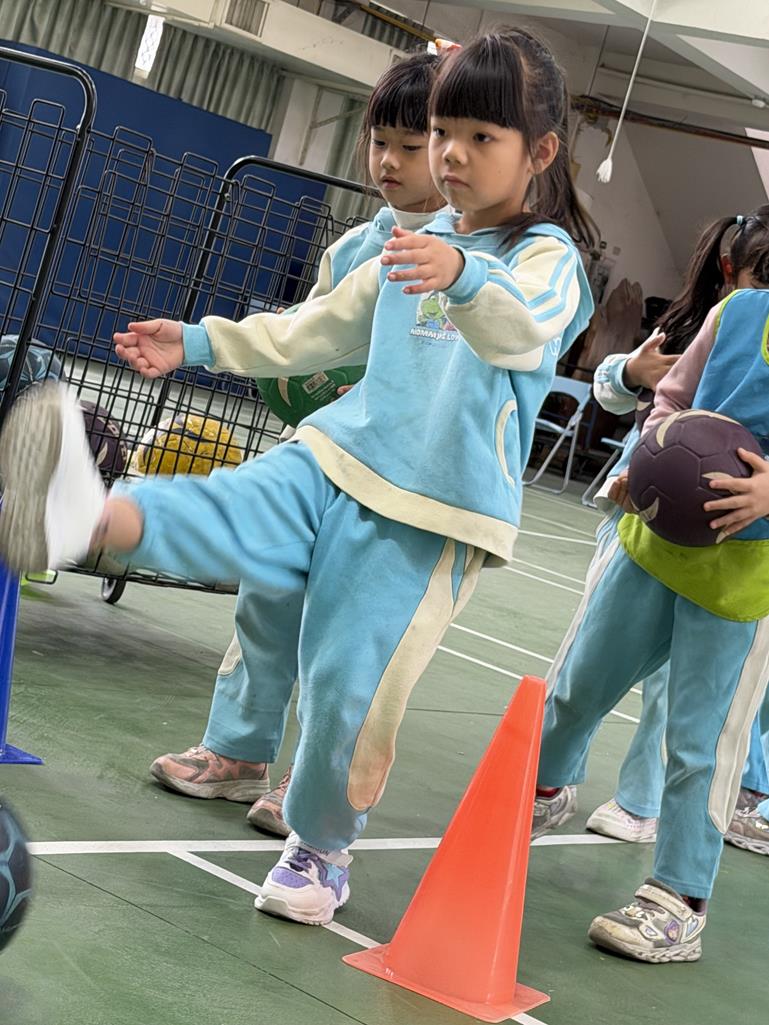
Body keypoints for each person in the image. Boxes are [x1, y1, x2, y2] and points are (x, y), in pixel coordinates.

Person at [0, 27, 594, 926]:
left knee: (350, 684)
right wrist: (198, 340)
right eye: (443, 133)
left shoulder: (543, 259)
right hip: (336, 453)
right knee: (229, 505)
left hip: (430, 513)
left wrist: (464, 275)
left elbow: (524, 327)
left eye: (481, 137)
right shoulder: (414, 240)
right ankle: (84, 515)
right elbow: (316, 327)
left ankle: (319, 846)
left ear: (539, 153)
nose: (450, 155)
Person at [148, 52, 449, 838]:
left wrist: (377, 398)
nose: (388, 161)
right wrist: (268, 365)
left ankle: (309, 783)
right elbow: (306, 338)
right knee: (267, 592)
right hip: (313, 455)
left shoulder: (463, 261)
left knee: (343, 636)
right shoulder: (352, 249)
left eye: (410, 146)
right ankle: (238, 748)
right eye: (378, 142)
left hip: (391, 481)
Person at [532, 226, 769, 962]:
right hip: (652, 544)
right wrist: (654, 456)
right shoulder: (737, 312)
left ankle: (679, 897)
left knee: (700, 743)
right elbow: (669, 400)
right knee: (577, 687)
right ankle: (540, 790)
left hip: (741, 582)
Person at [584, 211, 769, 846]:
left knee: (692, 692)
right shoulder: (696, 326)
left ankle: (650, 801)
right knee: (590, 667)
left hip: (730, 545)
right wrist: (627, 374)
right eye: (757, 277)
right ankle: (559, 780)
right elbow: (622, 396)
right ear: (730, 270)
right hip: (636, 518)